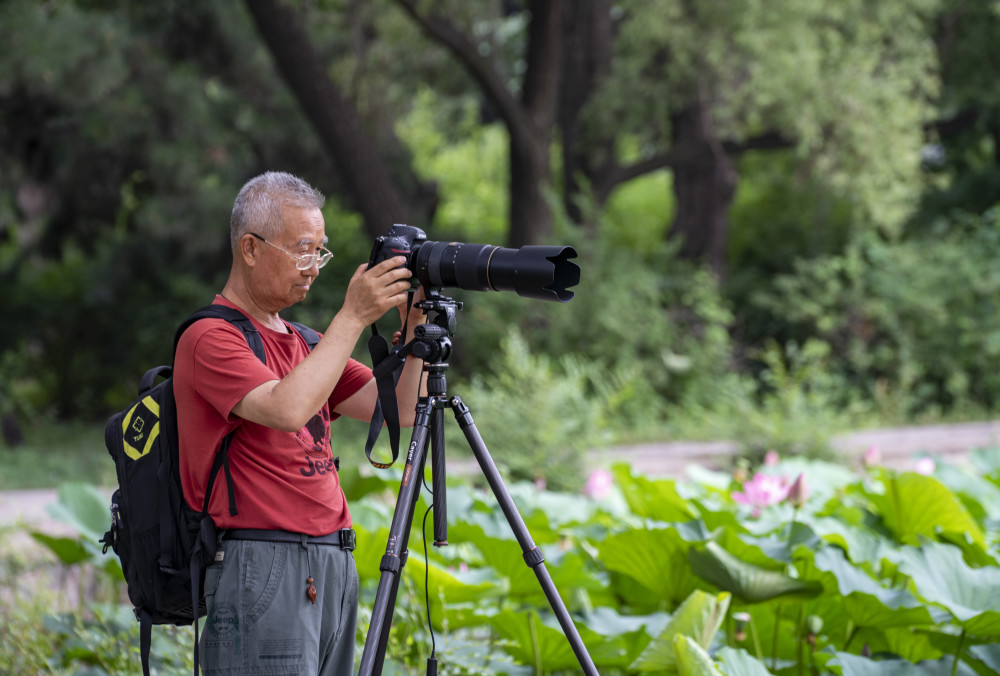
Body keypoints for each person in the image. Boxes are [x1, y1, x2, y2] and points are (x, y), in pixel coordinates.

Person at [173, 171, 425, 675]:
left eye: (321, 251)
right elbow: (286, 410)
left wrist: (415, 320)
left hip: (332, 562)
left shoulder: (307, 342)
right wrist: (352, 317)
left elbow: (398, 407)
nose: (314, 268)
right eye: (302, 250)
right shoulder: (209, 337)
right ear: (249, 248)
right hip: (263, 562)